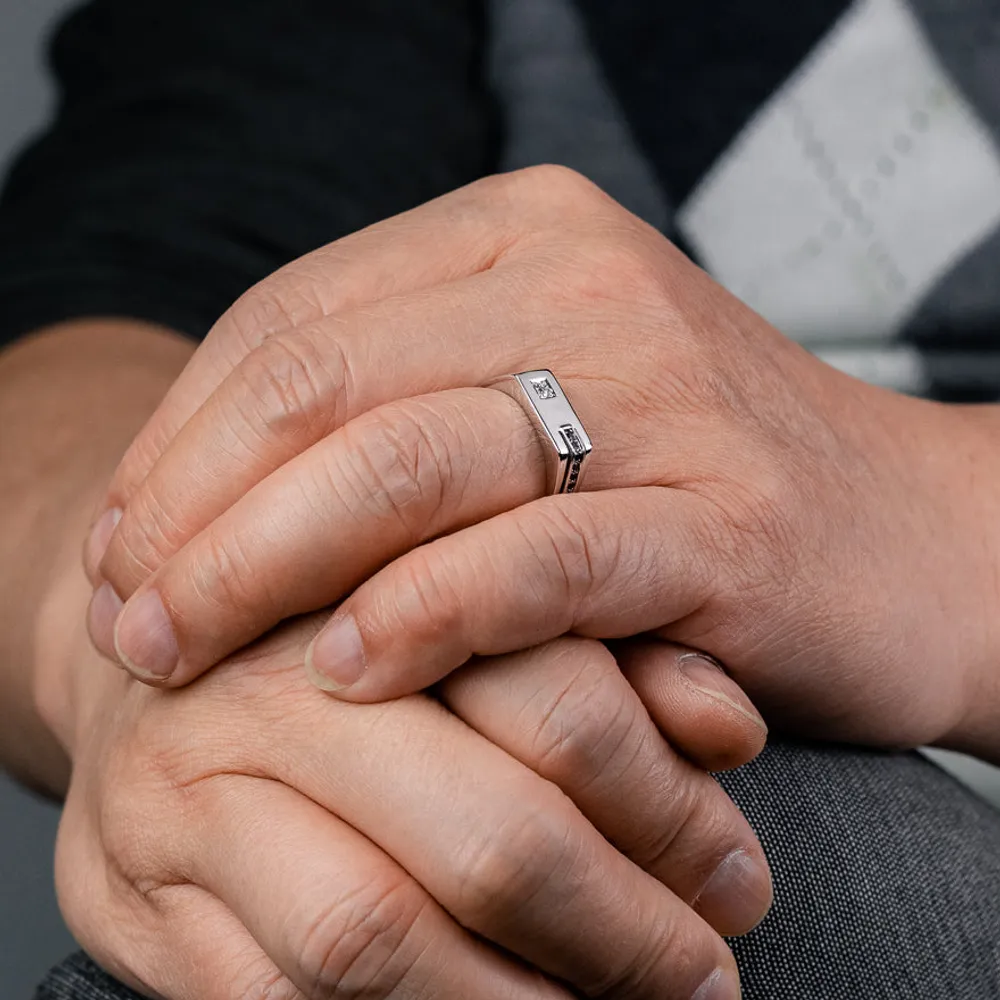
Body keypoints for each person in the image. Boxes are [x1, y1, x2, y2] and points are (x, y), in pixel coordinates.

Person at [1, 1, 999, 998]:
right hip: (584, 648)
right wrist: (153, 642)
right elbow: (117, 284)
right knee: (391, 835)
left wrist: (940, 518)